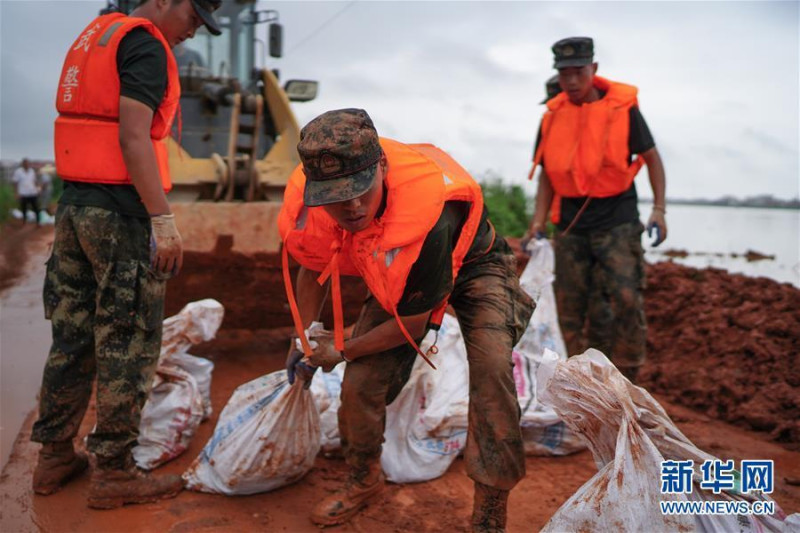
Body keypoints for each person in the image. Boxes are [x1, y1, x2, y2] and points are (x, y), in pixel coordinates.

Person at [279, 108, 535, 532]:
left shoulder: (429, 214)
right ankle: (363, 479)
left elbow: (415, 324)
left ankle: (490, 508)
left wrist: (341, 349)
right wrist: (303, 338)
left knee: (491, 371)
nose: (353, 206)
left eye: (361, 189)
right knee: (360, 382)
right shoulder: (318, 208)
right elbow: (312, 265)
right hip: (401, 278)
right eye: (337, 196)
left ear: (381, 166)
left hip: (475, 269)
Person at [30, 0, 221, 509]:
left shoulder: (97, 36)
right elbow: (133, 136)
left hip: (75, 208)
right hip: (120, 215)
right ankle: (113, 473)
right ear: (164, 0)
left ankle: (53, 458)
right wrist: (163, 220)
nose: (194, 30)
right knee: (129, 342)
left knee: (72, 336)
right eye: (194, 17)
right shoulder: (144, 45)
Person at [527, 37, 667, 382]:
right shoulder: (552, 116)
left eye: (578, 72)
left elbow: (652, 159)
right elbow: (547, 174)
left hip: (617, 220)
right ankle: (578, 380)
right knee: (570, 307)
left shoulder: (623, 110)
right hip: (572, 226)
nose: (571, 81)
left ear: (594, 69)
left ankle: (630, 378)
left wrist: (659, 209)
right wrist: (538, 222)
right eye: (564, 74)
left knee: (625, 298)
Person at [12, 158, 41, 226]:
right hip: (23, 193)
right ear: (23, 164)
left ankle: (38, 222)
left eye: (28, 163)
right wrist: (16, 193)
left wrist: (38, 189)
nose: (27, 165)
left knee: (36, 207)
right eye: (25, 163)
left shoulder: (32, 171)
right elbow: (15, 183)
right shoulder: (18, 172)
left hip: (32, 192)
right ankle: (24, 221)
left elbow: (35, 181)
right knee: (24, 208)